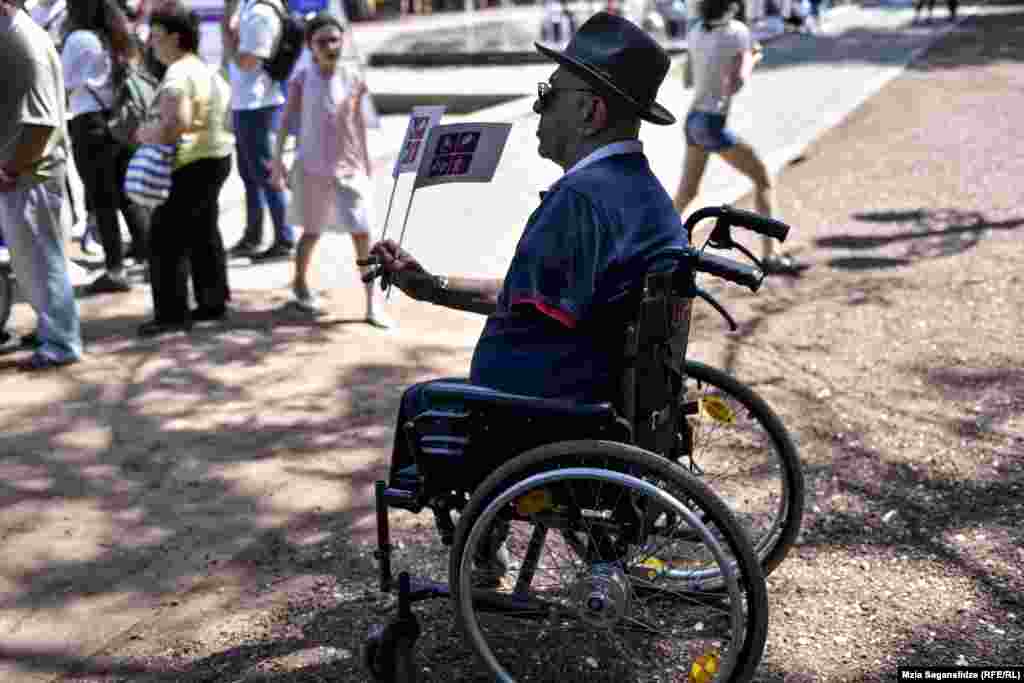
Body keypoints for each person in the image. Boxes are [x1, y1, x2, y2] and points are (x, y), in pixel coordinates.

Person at [371, 12, 686, 546]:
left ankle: (481, 546)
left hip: (550, 415)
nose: (539, 106)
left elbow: (519, 304)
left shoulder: (581, 202)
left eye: (550, 93)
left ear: (590, 111)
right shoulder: (641, 190)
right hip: (602, 394)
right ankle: (487, 543)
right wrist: (429, 286)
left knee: (422, 403)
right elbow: (531, 299)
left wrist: (431, 290)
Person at [269, 13, 392, 328]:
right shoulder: (300, 79)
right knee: (311, 233)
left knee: (363, 233)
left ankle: (371, 303)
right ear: (310, 46)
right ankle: (299, 284)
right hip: (311, 170)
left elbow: (358, 124)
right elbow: (284, 123)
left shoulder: (353, 78)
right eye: (321, 41)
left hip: (349, 170)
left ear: (342, 41)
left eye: (334, 39)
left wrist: (367, 162)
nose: (329, 46)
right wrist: (277, 164)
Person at [673, 0, 803, 275]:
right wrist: (753, 56)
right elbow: (738, 84)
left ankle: (652, 246)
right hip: (712, 122)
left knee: (686, 193)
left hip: (693, 119)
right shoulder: (737, 32)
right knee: (762, 177)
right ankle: (771, 256)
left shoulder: (696, 31)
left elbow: (687, 80)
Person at [134, 2, 234, 337]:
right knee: (204, 232)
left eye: (156, 36)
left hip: (189, 163)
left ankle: (172, 314)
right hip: (216, 157)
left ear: (176, 39)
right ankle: (212, 302)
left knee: (165, 239)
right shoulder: (203, 68)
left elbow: (178, 122)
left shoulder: (177, 73)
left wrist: (146, 134)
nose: (151, 43)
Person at [0, 0, 83, 369]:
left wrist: (12, 169)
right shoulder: (17, 36)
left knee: (40, 262)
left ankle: (61, 342)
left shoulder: (23, 44)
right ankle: (54, 329)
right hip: (26, 173)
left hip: (30, 174)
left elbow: (41, 123)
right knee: (32, 261)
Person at [62, 0, 152, 294]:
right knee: (127, 197)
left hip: (89, 125)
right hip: (117, 122)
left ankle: (114, 269)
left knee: (102, 200)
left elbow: (64, 82)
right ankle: (151, 257)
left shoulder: (79, 39)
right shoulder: (115, 34)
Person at [225, 0, 296, 261]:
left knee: (266, 172)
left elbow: (246, 62)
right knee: (249, 174)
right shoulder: (248, 7)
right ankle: (253, 235)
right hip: (246, 102)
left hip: (258, 104)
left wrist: (226, 31)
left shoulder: (261, 13)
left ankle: (284, 238)